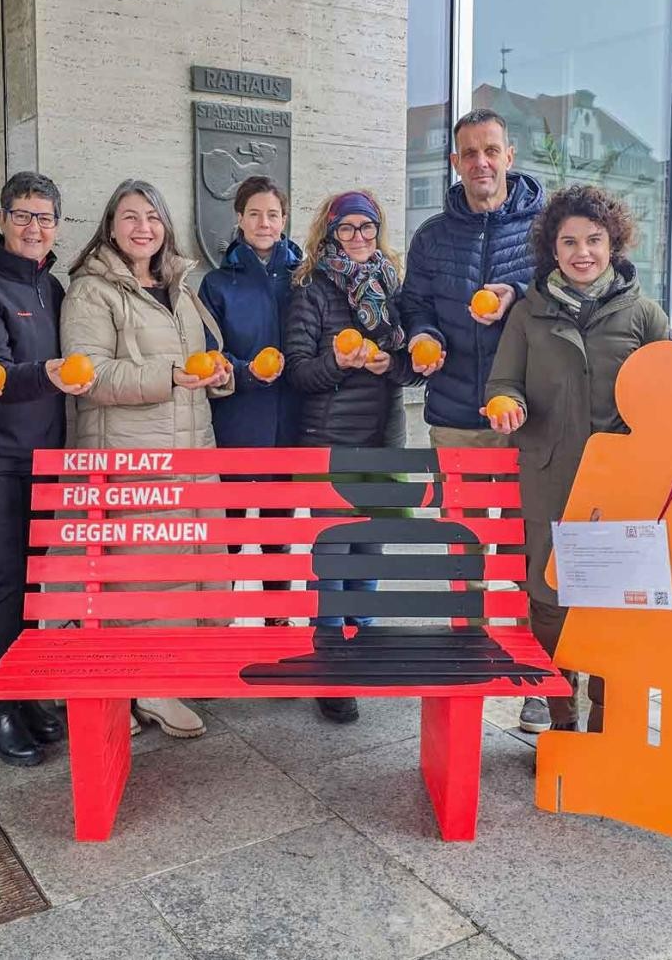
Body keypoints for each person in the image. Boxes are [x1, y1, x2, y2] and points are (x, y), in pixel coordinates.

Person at [484, 184, 670, 733]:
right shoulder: (527, 312)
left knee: (614, 604)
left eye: (593, 239)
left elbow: (670, 392)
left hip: (621, 486)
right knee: (550, 599)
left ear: (613, 243)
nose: (582, 252)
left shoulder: (645, 314)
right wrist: (507, 404)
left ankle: (605, 724)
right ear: (553, 248)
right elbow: (503, 381)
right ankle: (558, 716)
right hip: (549, 478)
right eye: (569, 241)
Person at [59, 179, 232, 739]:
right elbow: (86, 375)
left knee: (184, 569)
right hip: (132, 453)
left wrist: (216, 374)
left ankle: (152, 680)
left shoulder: (179, 286)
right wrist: (172, 376)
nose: (143, 228)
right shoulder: (92, 290)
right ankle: (143, 686)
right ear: (110, 226)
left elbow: (196, 362)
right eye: (130, 217)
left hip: (189, 447)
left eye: (152, 217)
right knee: (142, 575)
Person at [400, 108, 548, 733]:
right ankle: (469, 648)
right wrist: (425, 337)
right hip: (458, 412)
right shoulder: (434, 235)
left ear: (510, 155)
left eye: (491, 150)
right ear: (456, 162)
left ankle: (532, 676)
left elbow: (569, 292)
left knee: (524, 545)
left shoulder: (547, 229)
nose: (481, 163)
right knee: (464, 543)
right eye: (468, 153)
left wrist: (519, 298)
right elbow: (414, 305)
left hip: (528, 416)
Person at [0, 171, 92, 768]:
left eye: (44, 217)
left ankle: (29, 691)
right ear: (3, 218)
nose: (34, 227)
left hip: (44, 460)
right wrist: (52, 373)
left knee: (34, 587)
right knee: (2, 584)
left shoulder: (54, 289)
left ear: (57, 224)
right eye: (23, 215)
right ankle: (0, 708)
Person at [284, 190, 420, 724]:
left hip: (384, 440)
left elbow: (412, 370)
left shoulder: (392, 285)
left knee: (369, 556)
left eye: (367, 227)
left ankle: (357, 649)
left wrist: (391, 365)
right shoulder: (312, 289)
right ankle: (331, 665)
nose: (359, 237)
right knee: (334, 563)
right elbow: (298, 371)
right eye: (347, 229)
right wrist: (338, 363)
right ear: (329, 233)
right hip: (330, 442)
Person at [199, 176, 303, 625]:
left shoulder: (304, 276)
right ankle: (219, 624)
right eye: (255, 213)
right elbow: (208, 353)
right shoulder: (216, 284)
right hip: (237, 420)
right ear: (239, 218)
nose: (264, 222)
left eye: (273, 214)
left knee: (278, 533)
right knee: (232, 531)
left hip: (291, 422)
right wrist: (246, 372)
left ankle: (276, 621)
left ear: (284, 221)